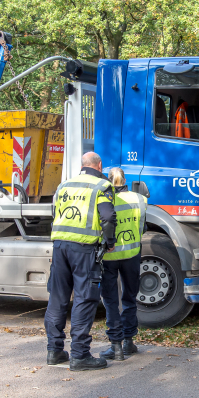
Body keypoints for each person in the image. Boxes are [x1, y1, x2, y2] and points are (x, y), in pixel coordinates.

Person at [45, 152, 117, 371]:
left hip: (59, 246)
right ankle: (79, 355)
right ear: (99, 165)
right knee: (85, 298)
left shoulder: (64, 185)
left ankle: (54, 351)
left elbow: (54, 212)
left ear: (82, 165)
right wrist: (110, 241)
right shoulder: (101, 186)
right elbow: (108, 217)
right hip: (84, 249)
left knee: (58, 298)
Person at [99, 167, 147, 361]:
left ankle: (115, 346)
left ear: (108, 180)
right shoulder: (139, 199)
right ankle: (129, 342)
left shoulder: (104, 199)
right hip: (132, 254)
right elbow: (143, 226)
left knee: (110, 300)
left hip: (109, 257)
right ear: (125, 179)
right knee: (129, 297)